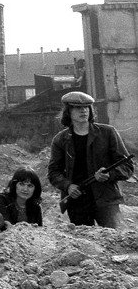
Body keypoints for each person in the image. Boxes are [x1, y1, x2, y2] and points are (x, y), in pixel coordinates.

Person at [47, 91, 134, 228]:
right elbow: (53, 172)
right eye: (77, 107)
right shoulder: (61, 140)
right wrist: (68, 186)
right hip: (77, 201)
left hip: (106, 200)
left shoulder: (108, 133)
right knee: (85, 243)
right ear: (68, 112)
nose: (83, 110)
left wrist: (109, 174)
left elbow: (127, 166)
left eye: (86, 107)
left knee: (114, 241)